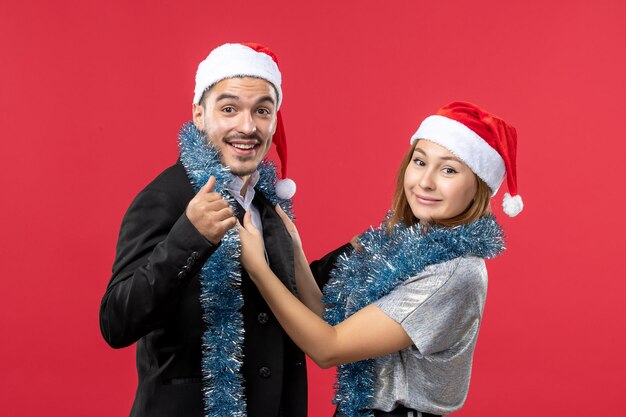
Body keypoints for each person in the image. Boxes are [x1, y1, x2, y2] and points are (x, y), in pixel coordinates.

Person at [239, 101, 523, 417]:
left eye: (449, 169)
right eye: (419, 162)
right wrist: (293, 248)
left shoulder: (454, 270)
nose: (425, 181)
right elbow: (328, 317)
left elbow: (328, 348)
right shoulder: (400, 243)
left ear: (478, 187)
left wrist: (258, 269)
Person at [100, 43, 305, 417]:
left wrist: (364, 251)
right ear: (199, 114)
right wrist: (189, 236)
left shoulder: (266, 203)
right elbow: (116, 321)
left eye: (262, 110)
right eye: (229, 109)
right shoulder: (165, 196)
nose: (248, 126)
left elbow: (279, 302)